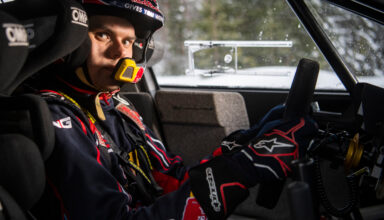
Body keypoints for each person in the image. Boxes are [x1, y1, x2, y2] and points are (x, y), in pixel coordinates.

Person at [31, 0, 318, 219]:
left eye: (128, 41)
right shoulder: (56, 116)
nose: (120, 52)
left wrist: (246, 146)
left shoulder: (118, 106)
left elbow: (173, 176)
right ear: (72, 44)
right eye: (103, 35)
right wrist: (242, 170)